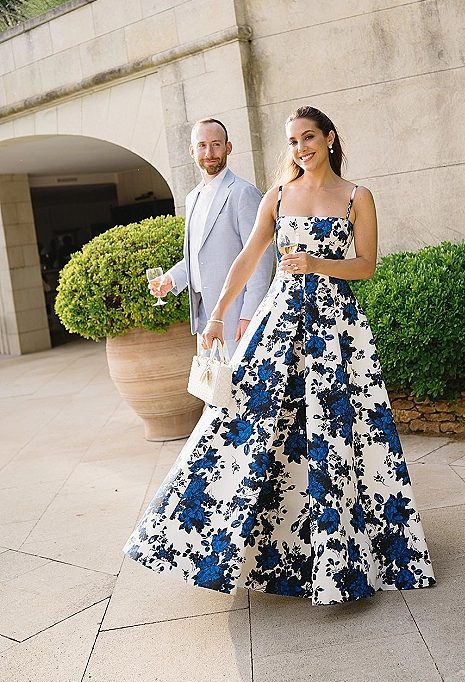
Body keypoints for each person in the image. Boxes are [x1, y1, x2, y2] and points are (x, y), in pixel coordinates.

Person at [125, 106, 435, 605]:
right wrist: (219, 315)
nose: (300, 148)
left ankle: (346, 555)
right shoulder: (277, 196)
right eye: (292, 142)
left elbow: (367, 266)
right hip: (279, 323)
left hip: (336, 330)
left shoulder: (358, 196)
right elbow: (247, 260)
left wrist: (316, 262)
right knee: (246, 425)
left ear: (330, 138)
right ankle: (219, 544)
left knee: (337, 436)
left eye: (308, 137)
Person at [150, 117, 273, 357]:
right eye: (203, 145)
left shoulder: (243, 193)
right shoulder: (192, 198)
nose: (209, 152)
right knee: (212, 392)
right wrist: (171, 279)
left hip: (237, 318)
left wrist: (250, 315)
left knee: (242, 392)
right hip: (204, 318)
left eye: (216, 144)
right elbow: (199, 256)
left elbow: (261, 259)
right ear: (192, 150)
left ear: (228, 147)